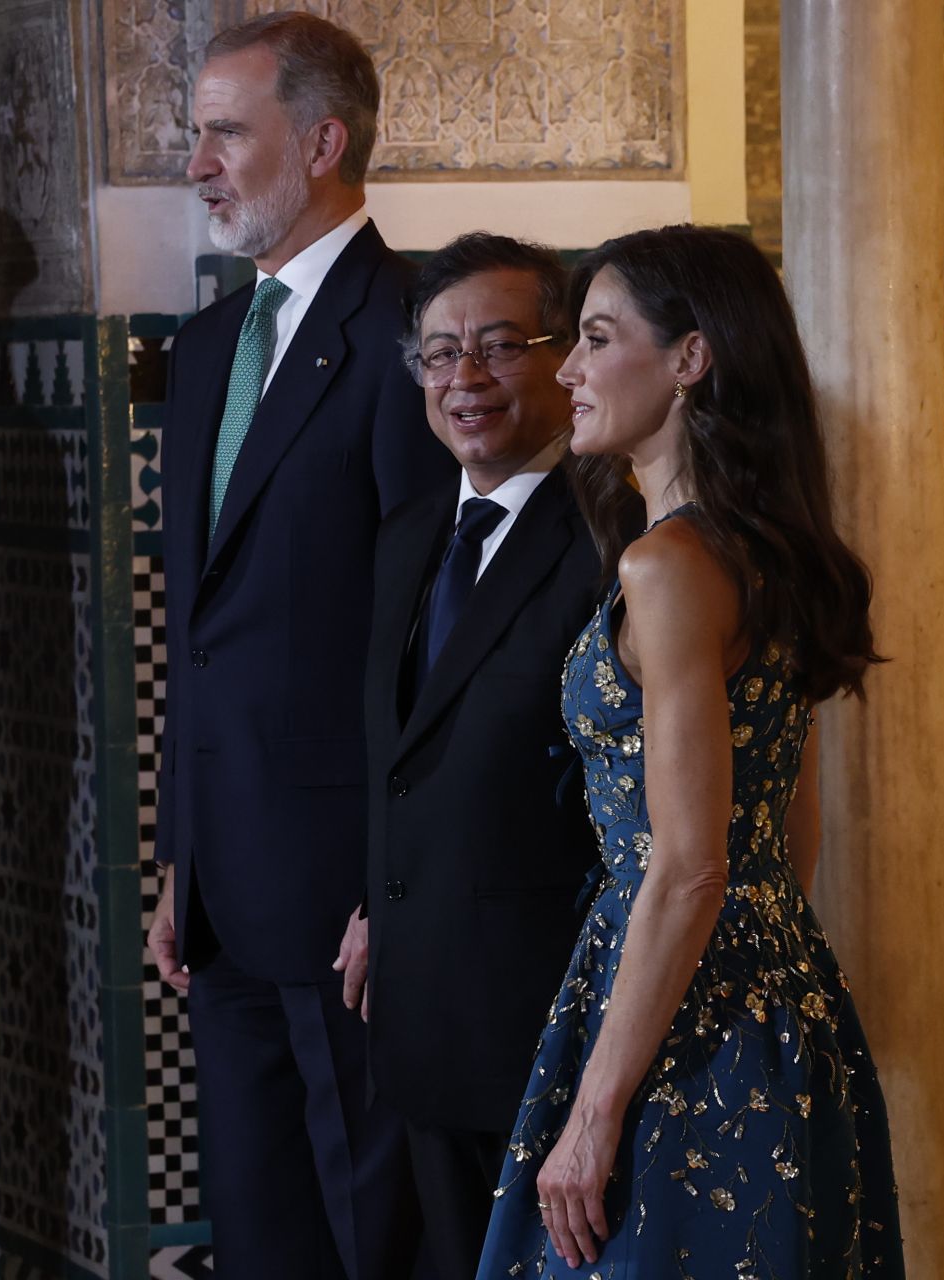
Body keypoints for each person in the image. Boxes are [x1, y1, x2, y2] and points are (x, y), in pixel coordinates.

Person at [475, 225, 905, 1279]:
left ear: (690, 359)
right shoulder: (760, 550)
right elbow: (784, 829)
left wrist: (597, 1107)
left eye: (597, 337)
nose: (567, 369)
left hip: (679, 1008)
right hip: (777, 994)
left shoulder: (669, 565)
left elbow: (688, 862)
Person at [145, 11, 454, 1278]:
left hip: (347, 896)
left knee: (368, 1226)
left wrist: (392, 882)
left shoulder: (415, 333)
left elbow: (428, 638)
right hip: (225, 884)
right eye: (196, 133)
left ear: (323, 140)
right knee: (262, 1226)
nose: (200, 162)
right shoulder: (209, 346)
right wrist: (180, 854)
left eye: (226, 132)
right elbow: (201, 633)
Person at [342, 233, 600, 1277]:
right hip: (418, 1017)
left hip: (546, 1029)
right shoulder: (408, 536)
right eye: (440, 354)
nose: (465, 379)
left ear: (566, 356)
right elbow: (404, 758)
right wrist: (374, 903)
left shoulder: (609, 541)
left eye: (498, 345)